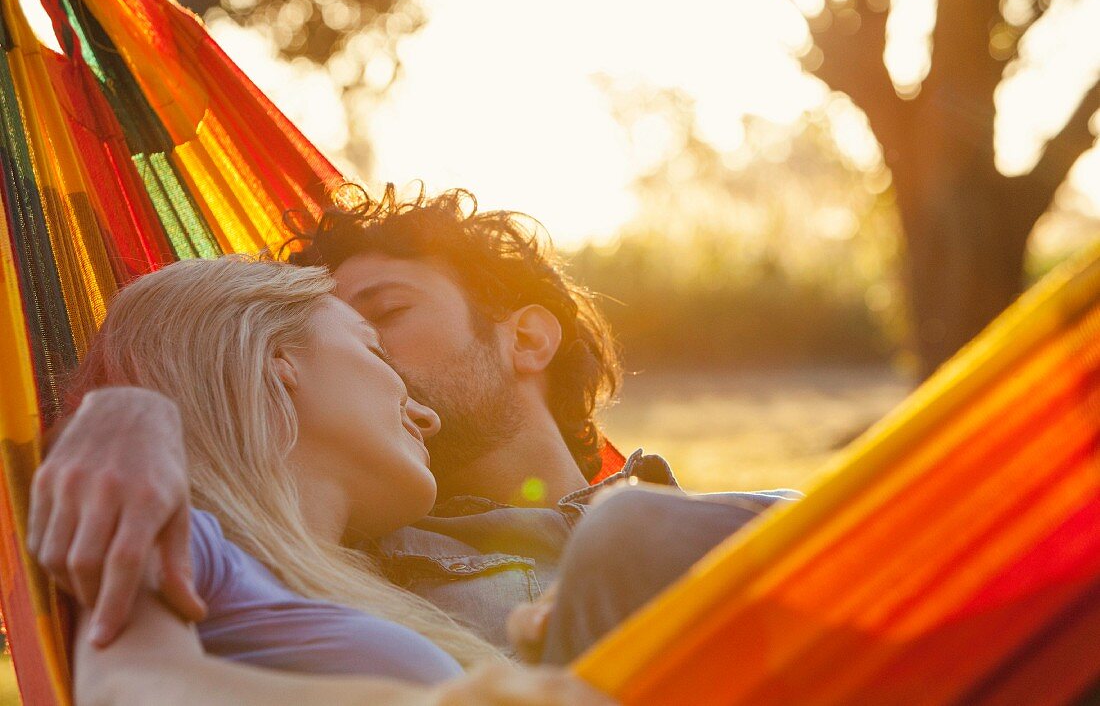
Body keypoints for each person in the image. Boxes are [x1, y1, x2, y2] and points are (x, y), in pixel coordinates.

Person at [30, 185, 798, 653]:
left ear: (527, 338)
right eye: (335, 332)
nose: (361, 355)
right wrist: (130, 413)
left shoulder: (696, 523)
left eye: (383, 314)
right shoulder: (352, 568)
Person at [64, 255, 608, 705]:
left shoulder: (372, 582)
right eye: (374, 348)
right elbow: (123, 686)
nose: (427, 415)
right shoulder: (187, 535)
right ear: (275, 358)